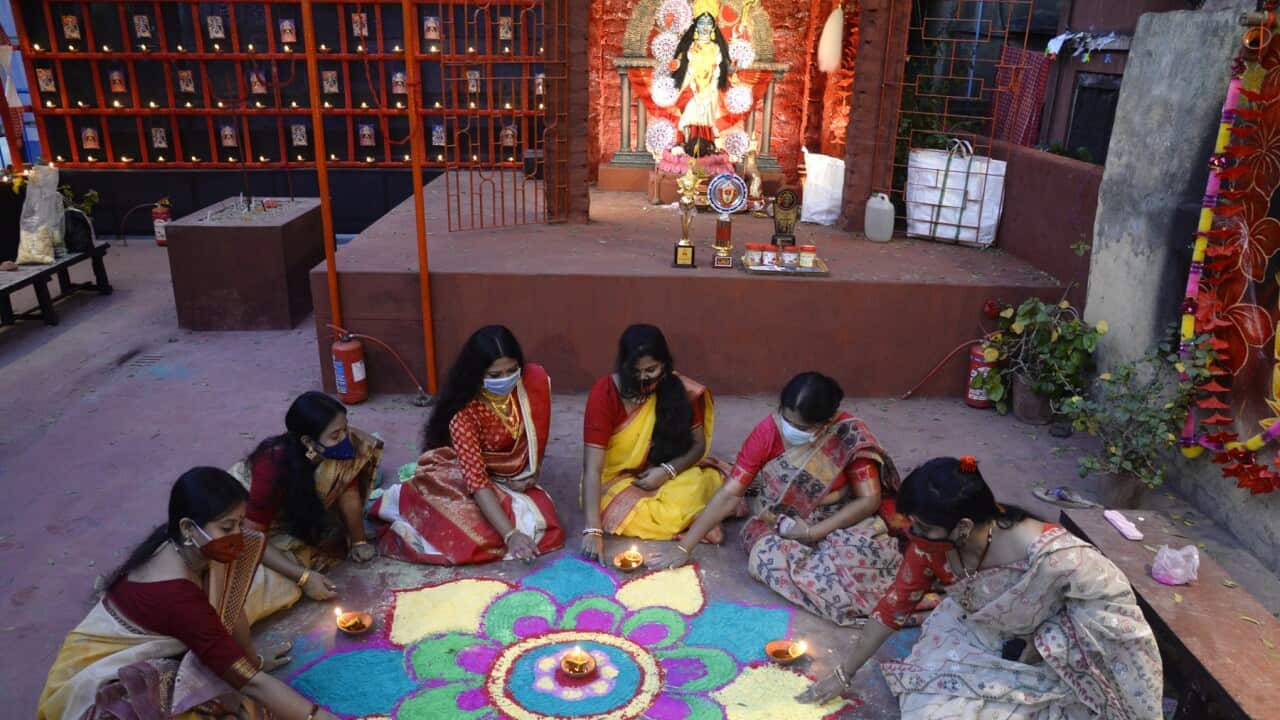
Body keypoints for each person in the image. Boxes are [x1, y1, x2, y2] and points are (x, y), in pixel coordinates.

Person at [797, 456, 1163, 719]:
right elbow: (892, 608)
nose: (911, 533)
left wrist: (1047, 641)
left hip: (1046, 652)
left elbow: (1114, 613)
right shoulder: (928, 546)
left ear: (962, 527)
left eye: (920, 525)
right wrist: (844, 673)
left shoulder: (1053, 555)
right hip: (973, 628)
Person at [38, 468, 338, 720]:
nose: (238, 534)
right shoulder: (178, 595)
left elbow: (229, 606)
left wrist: (250, 659)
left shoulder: (190, 546)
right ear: (188, 528)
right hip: (106, 677)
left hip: (167, 632)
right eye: (227, 526)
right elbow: (254, 686)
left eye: (240, 522)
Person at [661, 372, 903, 625]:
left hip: (841, 518)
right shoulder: (767, 432)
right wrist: (684, 546)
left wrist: (812, 532)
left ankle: (873, 605)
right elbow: (730, 493)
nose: (791, 431)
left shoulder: (848, 434)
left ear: (828, 422)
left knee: (865, 559)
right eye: (787, 419)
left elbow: (868, 500)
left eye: (803, 428)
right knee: (764, 557)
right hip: (778, 517)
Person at [370, 325, 564, 564]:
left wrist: (531, 474)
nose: (506, 380)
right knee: (477, 539)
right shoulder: (463, 413)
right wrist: (510, 535)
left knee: (546, 524)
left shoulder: (530, 383)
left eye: (512, 371)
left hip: (510, 479)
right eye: (495, 375)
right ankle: (404, 502)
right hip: (464, 478)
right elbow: (477, 481)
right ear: (476, 374)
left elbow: (536, 438)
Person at [580, 324, 727, 556]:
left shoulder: (678, 389)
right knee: (607, 513)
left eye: (650, 370)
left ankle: (704, 510)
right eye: (635, 371)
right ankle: (704, 520)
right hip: (614, 481)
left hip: (666, 474)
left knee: (695, 487)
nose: (642, 378)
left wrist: (666, 471)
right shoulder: (605, 393)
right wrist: (593, 530)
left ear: (665, 365)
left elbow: (697, 446)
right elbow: (593, 468)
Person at [235, 391, 383, 623]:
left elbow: (348, 488)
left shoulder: (340, 447)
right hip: (260, 521)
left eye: (346, 428)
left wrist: (358, 540)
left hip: (300, 509)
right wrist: (303, 578)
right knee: (283, 588)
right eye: (335, 435)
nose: (345, 438)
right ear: (308, 442)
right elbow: (252, 535)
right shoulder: (272, 468)